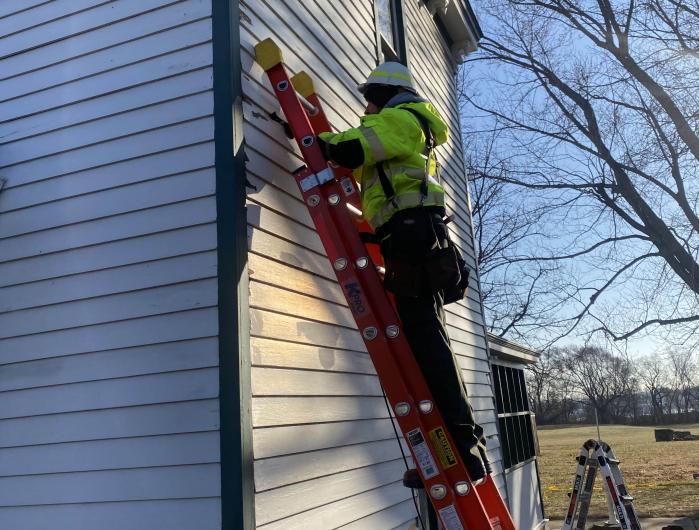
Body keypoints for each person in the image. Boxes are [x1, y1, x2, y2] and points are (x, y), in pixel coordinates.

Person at [317, 62, 490, 484]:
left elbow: (350, 151)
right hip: (416, 236)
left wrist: (318, 140)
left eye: (368, 97)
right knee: (429, 340)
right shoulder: (412, 128)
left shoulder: (399, 119)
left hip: (411, 237)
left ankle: (463, 450)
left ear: (382, 93)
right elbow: (366, 169)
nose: (365, 105)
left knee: (426, 342)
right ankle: (463, 447)